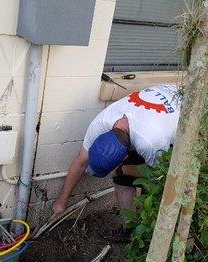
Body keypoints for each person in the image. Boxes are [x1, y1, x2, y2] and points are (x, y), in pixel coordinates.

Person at [52, 83, 182, 241]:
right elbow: (80, 162)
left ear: (124, 156)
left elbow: (161, 176)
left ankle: (152, 237)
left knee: (153, 190)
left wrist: (127, 170)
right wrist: (61, 200)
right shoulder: (100, 124)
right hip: (159, 107)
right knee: (122, 179)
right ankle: (130, 229)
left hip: (182, 118)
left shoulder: (150, 143)